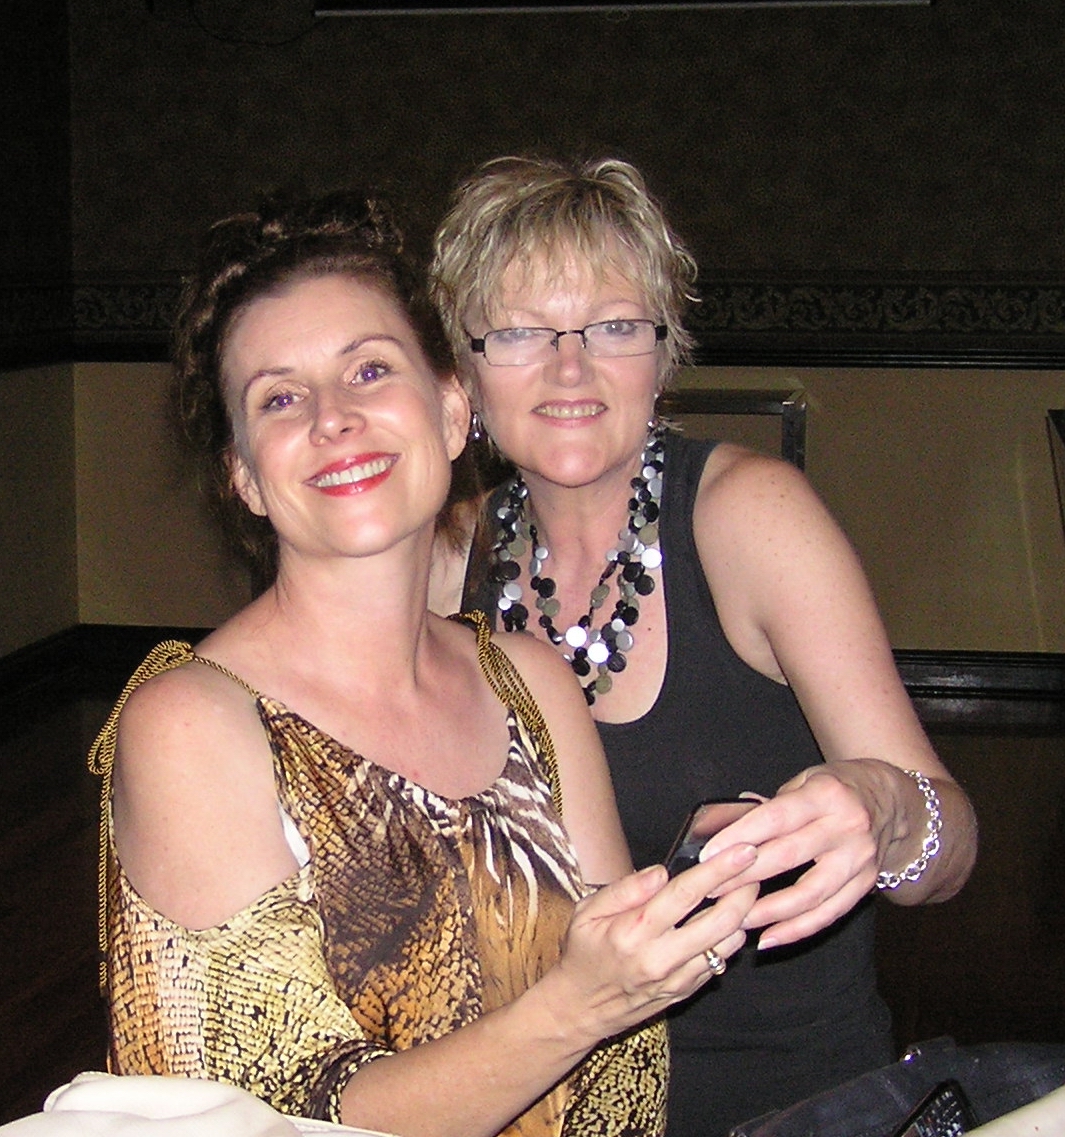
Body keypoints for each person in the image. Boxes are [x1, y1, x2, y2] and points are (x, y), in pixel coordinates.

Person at [86, 191, 762, 1137]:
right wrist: (583, 1003)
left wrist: (692, 894)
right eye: (279, 397)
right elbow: (285, 1116)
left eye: (369, 369)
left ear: (450, 412)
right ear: (245, 477)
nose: (332, 417)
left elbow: (624, 1028)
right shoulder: (195, 723)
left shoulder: (530, 681)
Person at [427, 156, 979, 1137]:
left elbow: (951, 849)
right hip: (539, 1102)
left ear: (664, 353)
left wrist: (883, 807)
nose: (569, 369)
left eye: (613, 326)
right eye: (519, 332)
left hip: (789, 1105)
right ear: (464, 373)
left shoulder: (751, 516)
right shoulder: (443, 560)